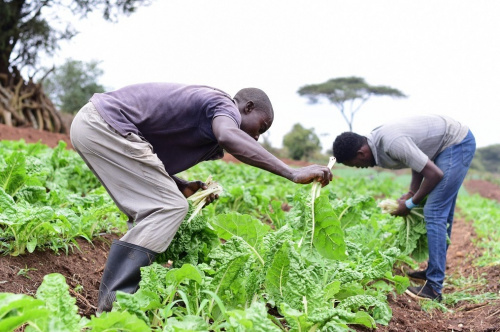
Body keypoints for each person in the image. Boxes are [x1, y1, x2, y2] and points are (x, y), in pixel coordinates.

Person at [70, 82, 333, 313]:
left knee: (161, 204)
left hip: (95, 124)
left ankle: (128, 296)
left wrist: (181, 185)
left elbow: (150, 161)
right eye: (261, 127)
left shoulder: (208, 128)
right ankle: (116, 301)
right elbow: (229, 135)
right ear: (247, 107)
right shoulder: (223, 104)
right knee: (170, 207)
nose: (255, 136)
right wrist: (291, 172)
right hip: (103, 124)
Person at [332, 114, 475, 301]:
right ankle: (434, 271)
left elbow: (434, 174)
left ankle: (434, 288)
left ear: (361, 154)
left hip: (456, 143)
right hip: (443, 148)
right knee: (440, 212)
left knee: (434, 212)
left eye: (357, 165)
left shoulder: (391, 142)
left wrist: (410, 203)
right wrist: (411, 192)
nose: (361, 168)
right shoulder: (377, 142)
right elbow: (417, 159)